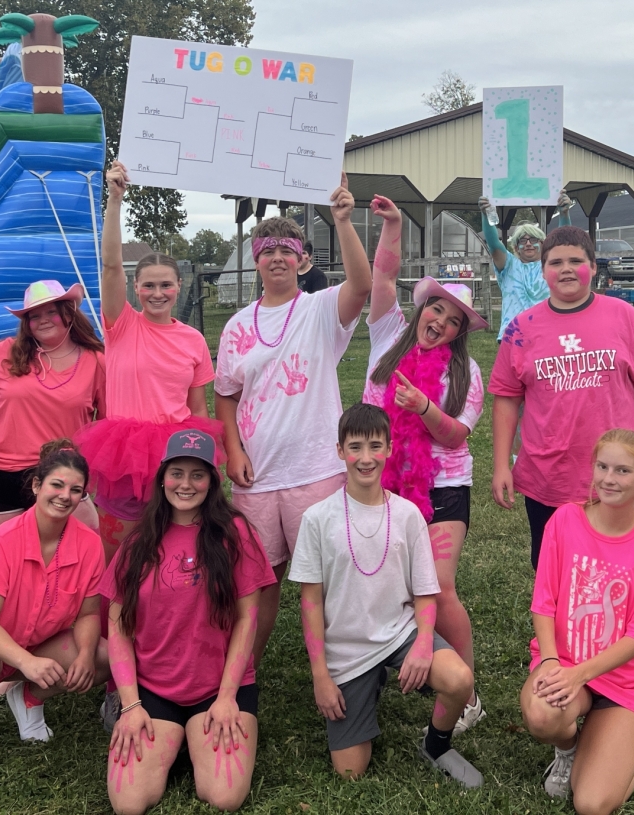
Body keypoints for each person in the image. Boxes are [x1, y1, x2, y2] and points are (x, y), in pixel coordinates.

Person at [489, 225, 634, 731]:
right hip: (548, 478)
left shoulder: (623, 317)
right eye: (556, 262)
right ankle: (575, 677)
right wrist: (500, 462)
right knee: (566, 587)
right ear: (542, 270)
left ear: (593, 266)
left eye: (576, 260)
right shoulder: (522, 327)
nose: (566, 270)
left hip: (615, 480)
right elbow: (507, 396)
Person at [215, 172, 372, 670]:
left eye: (287, 250)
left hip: (315, 473)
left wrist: (343, 221)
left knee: (326, 579)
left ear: (302, 259)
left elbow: (363, 285)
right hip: (257, 477)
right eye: (267, 251)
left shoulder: (321, 309)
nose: (277, 258)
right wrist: (235, 452)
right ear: (256, 259)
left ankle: (345, 671)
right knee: (261, 581)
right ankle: (245, 672)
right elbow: (226, 395)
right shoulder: (237, 326)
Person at [289, 404, 482, 786]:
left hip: (399, 634)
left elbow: (426, 592)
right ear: (340, 451)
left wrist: (424, 643)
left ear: (389, 449)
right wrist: (321, 677)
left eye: (375, 446)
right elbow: (310, 603)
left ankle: (436, 744)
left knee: (460, 680)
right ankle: (367, 680)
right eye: (355, 447)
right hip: (347, 650)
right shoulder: (317, 519)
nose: (365, 458)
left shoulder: (409, 514)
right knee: (350, 771)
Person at [361, 194, 488, 735]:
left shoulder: (468, 375)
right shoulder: (388, 334)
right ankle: (375, 666)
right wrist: (392, 226)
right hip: (378, 479)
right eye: (436, 309)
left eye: (453, 320)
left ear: (460, 333)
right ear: (422, 310)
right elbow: (383, 280)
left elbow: (457, 434)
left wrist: (425, 408)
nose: (440, 321)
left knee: (438, 585)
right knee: (383, 582)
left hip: (443, 488)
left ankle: (468, 691)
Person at [102, 429, 276, 815]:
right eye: (177, 472)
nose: (186, 484)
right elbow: (117, 625)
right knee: (129, 804)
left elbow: (248, 616)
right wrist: (130, 705)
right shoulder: (139, 541)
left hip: (218, 688)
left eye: (198, 474)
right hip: (153, 690)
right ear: (162, 476)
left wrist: (229, 696)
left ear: (212, 482)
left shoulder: (236, 534)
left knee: (224, 796)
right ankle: (175, 738)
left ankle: (189, 740)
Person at [0, 440, 109, 800]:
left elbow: (90, 613)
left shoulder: (89, 544)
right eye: (57, 485)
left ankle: (28, 698)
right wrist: (27, 662)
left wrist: (86, 654)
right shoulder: (4, 540)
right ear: (36, 486)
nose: (65, 496)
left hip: (34, 644)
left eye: (76, 490)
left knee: (105, 656)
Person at [520, 429, 634, 811]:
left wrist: (580, 675)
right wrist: (553, 662)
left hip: (625, 681)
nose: (609, 478)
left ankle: (631, 744)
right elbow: (544, 604)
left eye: (623, 471)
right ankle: (569, 749)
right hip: (567, 663)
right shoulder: (564, 521)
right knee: (542, 713)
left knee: (590, 804)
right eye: (603, 466)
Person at [76, 160, 220, 565]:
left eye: (166, 285)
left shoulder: (193, 340)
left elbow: (197, 408)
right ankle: (113, 624)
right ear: (136, 289)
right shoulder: (120, 325)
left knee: (171, 551)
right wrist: (115, 201)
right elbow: (109, 265)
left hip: (176, 454)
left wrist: (206, 457)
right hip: (122, 454)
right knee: (117, 556)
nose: (158, 293)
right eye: (149, 285)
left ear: (178, 287)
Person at [0, 280, 106, 544]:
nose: (43, 320)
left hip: (58, 475)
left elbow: (106, 426)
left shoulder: (96, 360)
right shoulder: (4, 352)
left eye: (51, 311)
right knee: (3, 566)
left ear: (69, 312)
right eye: (34, 315)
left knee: (73, 562)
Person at [479, 189, 574, 341]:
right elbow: (493, 243)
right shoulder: (509, 266)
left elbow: (564, 240)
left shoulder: (550, 265)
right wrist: (486, 214)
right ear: (516, 247)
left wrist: (564, 214)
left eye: (534, 240)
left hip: (547, 334)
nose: (528, 244)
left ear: (543, 244)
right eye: (522, 241)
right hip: (513, 337)